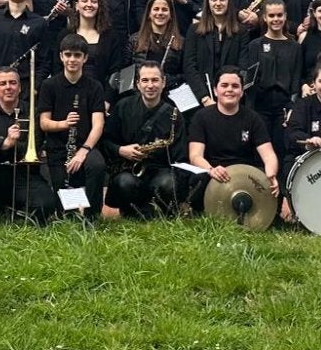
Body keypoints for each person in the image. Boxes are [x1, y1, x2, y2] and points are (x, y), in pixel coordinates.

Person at [0, 67, 58, 224]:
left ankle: (13, 214)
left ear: (20, 87)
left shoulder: (33, 112)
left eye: (12, 83)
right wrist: (6, 141)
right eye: (2, 84)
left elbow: (34, 147)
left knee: (46, 204)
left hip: (25, 175)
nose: (8, 87)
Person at [187, 67, 279, 212]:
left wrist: (271, 173)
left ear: (242, 92)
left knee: (267, 179)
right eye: (224, 85)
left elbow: (268, 154)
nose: (230, 90)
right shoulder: (201, 117)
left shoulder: (253, 118)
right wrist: (211, 170)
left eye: (235, 86)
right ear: (215, 90)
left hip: (244, 176)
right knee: (198, 179)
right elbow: (195, 156)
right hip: (215, 172)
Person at [103, 61, 186, 218]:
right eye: (145, 80)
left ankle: (162, 211)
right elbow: (106, 141)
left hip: (160, 171)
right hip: (129, 169)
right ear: (137, 84)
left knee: (169, 184)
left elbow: (181, 156)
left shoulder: (173, 114)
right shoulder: (122, 107)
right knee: (124, 183)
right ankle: (134, 213)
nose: (150, 85)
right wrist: (121, 150)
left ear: (163, 83)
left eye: (155, 80)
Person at [38, 35, 108, 218]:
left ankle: (92, 216)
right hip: (58, 149)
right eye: (68, 55)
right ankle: (69, 211)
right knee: (65, 213)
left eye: (77, 55)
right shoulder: (49, 85)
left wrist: (83, 151)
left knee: (97, 165)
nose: (72, 60)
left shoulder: (95, 86)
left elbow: (98, 124)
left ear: (85, 58)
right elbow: (44, 123)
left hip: (86, 147)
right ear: (61, 56)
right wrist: (64, 124)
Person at [242, 0, 300, 163]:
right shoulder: (255, 45)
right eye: (272, 16)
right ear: (265, 18)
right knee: (260, 152)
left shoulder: (294, 46)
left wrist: (292, 107)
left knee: (281, 150)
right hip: (260, 107)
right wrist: (250, 110)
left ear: (285, 16)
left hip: (283, 108)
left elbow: (296, 78)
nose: (276, 19)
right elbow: (250, 81)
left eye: (279, 15)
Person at [183, 0, 245, 106]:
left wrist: (229, 93)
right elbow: (189, 66)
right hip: (203, 99)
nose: (218, 3)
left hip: (231, 98)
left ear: (229, 2)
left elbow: (243, 65)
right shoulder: (194, 30)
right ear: (207, 2)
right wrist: (204, 98)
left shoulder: (241, 31)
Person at [66, 0, 126, 103]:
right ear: (77, 6)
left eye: (94, 1)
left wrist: (107, 101)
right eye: (85, 0)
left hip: (101, 99)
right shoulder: (65, 35)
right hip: (69, 99)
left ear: (99, 5)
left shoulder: (111, 36)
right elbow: (58, 69)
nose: (89, 4)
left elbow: (116, 72)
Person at [126, 0, 183, 95]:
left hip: (169, 96)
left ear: (171, 15)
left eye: (164, 9)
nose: (160, 13)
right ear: (149, 13)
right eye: (156, 9)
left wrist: (164, 82)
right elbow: (125, 74)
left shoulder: (181, 42)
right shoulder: (135, 40)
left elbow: (184, 75)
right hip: (139, 96)